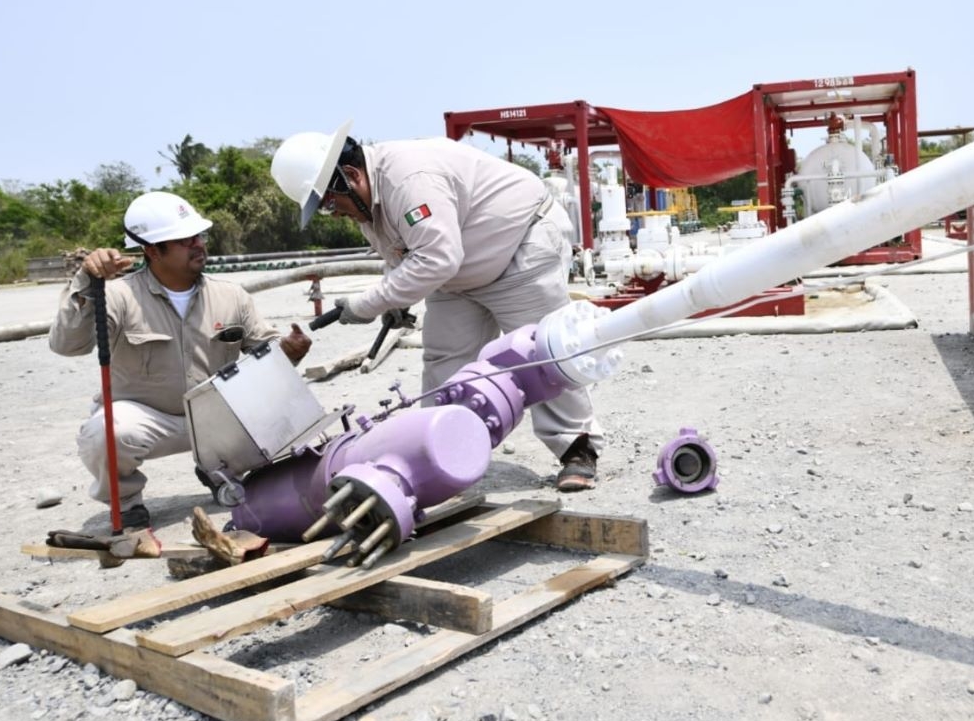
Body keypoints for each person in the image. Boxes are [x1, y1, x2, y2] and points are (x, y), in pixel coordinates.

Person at [271, 121, 604, 491]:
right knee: (444, 362)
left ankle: (577, 448)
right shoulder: (369, 202)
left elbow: (436, 259)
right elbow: (401, 254)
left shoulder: (408, 178)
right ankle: (440, 455)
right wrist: (396, 300)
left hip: (519, 247)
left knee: (541, 351)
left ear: (350, 175)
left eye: (330, 203)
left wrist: (364, 305)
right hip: (459, 270)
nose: (332, 214)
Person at [49, 191, 313, 528]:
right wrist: (86, 284)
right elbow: (66, 345)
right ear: (151, 250)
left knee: (285, 410)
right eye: (184, 239)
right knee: (104, 432)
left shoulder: (231, 296)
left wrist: (288, 351)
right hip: (148, 418)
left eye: (198, 235)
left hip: (216, 417)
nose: (198, 244)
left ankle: (223, 473)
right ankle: (126, 502)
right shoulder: (117, 296)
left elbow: (267, 351)